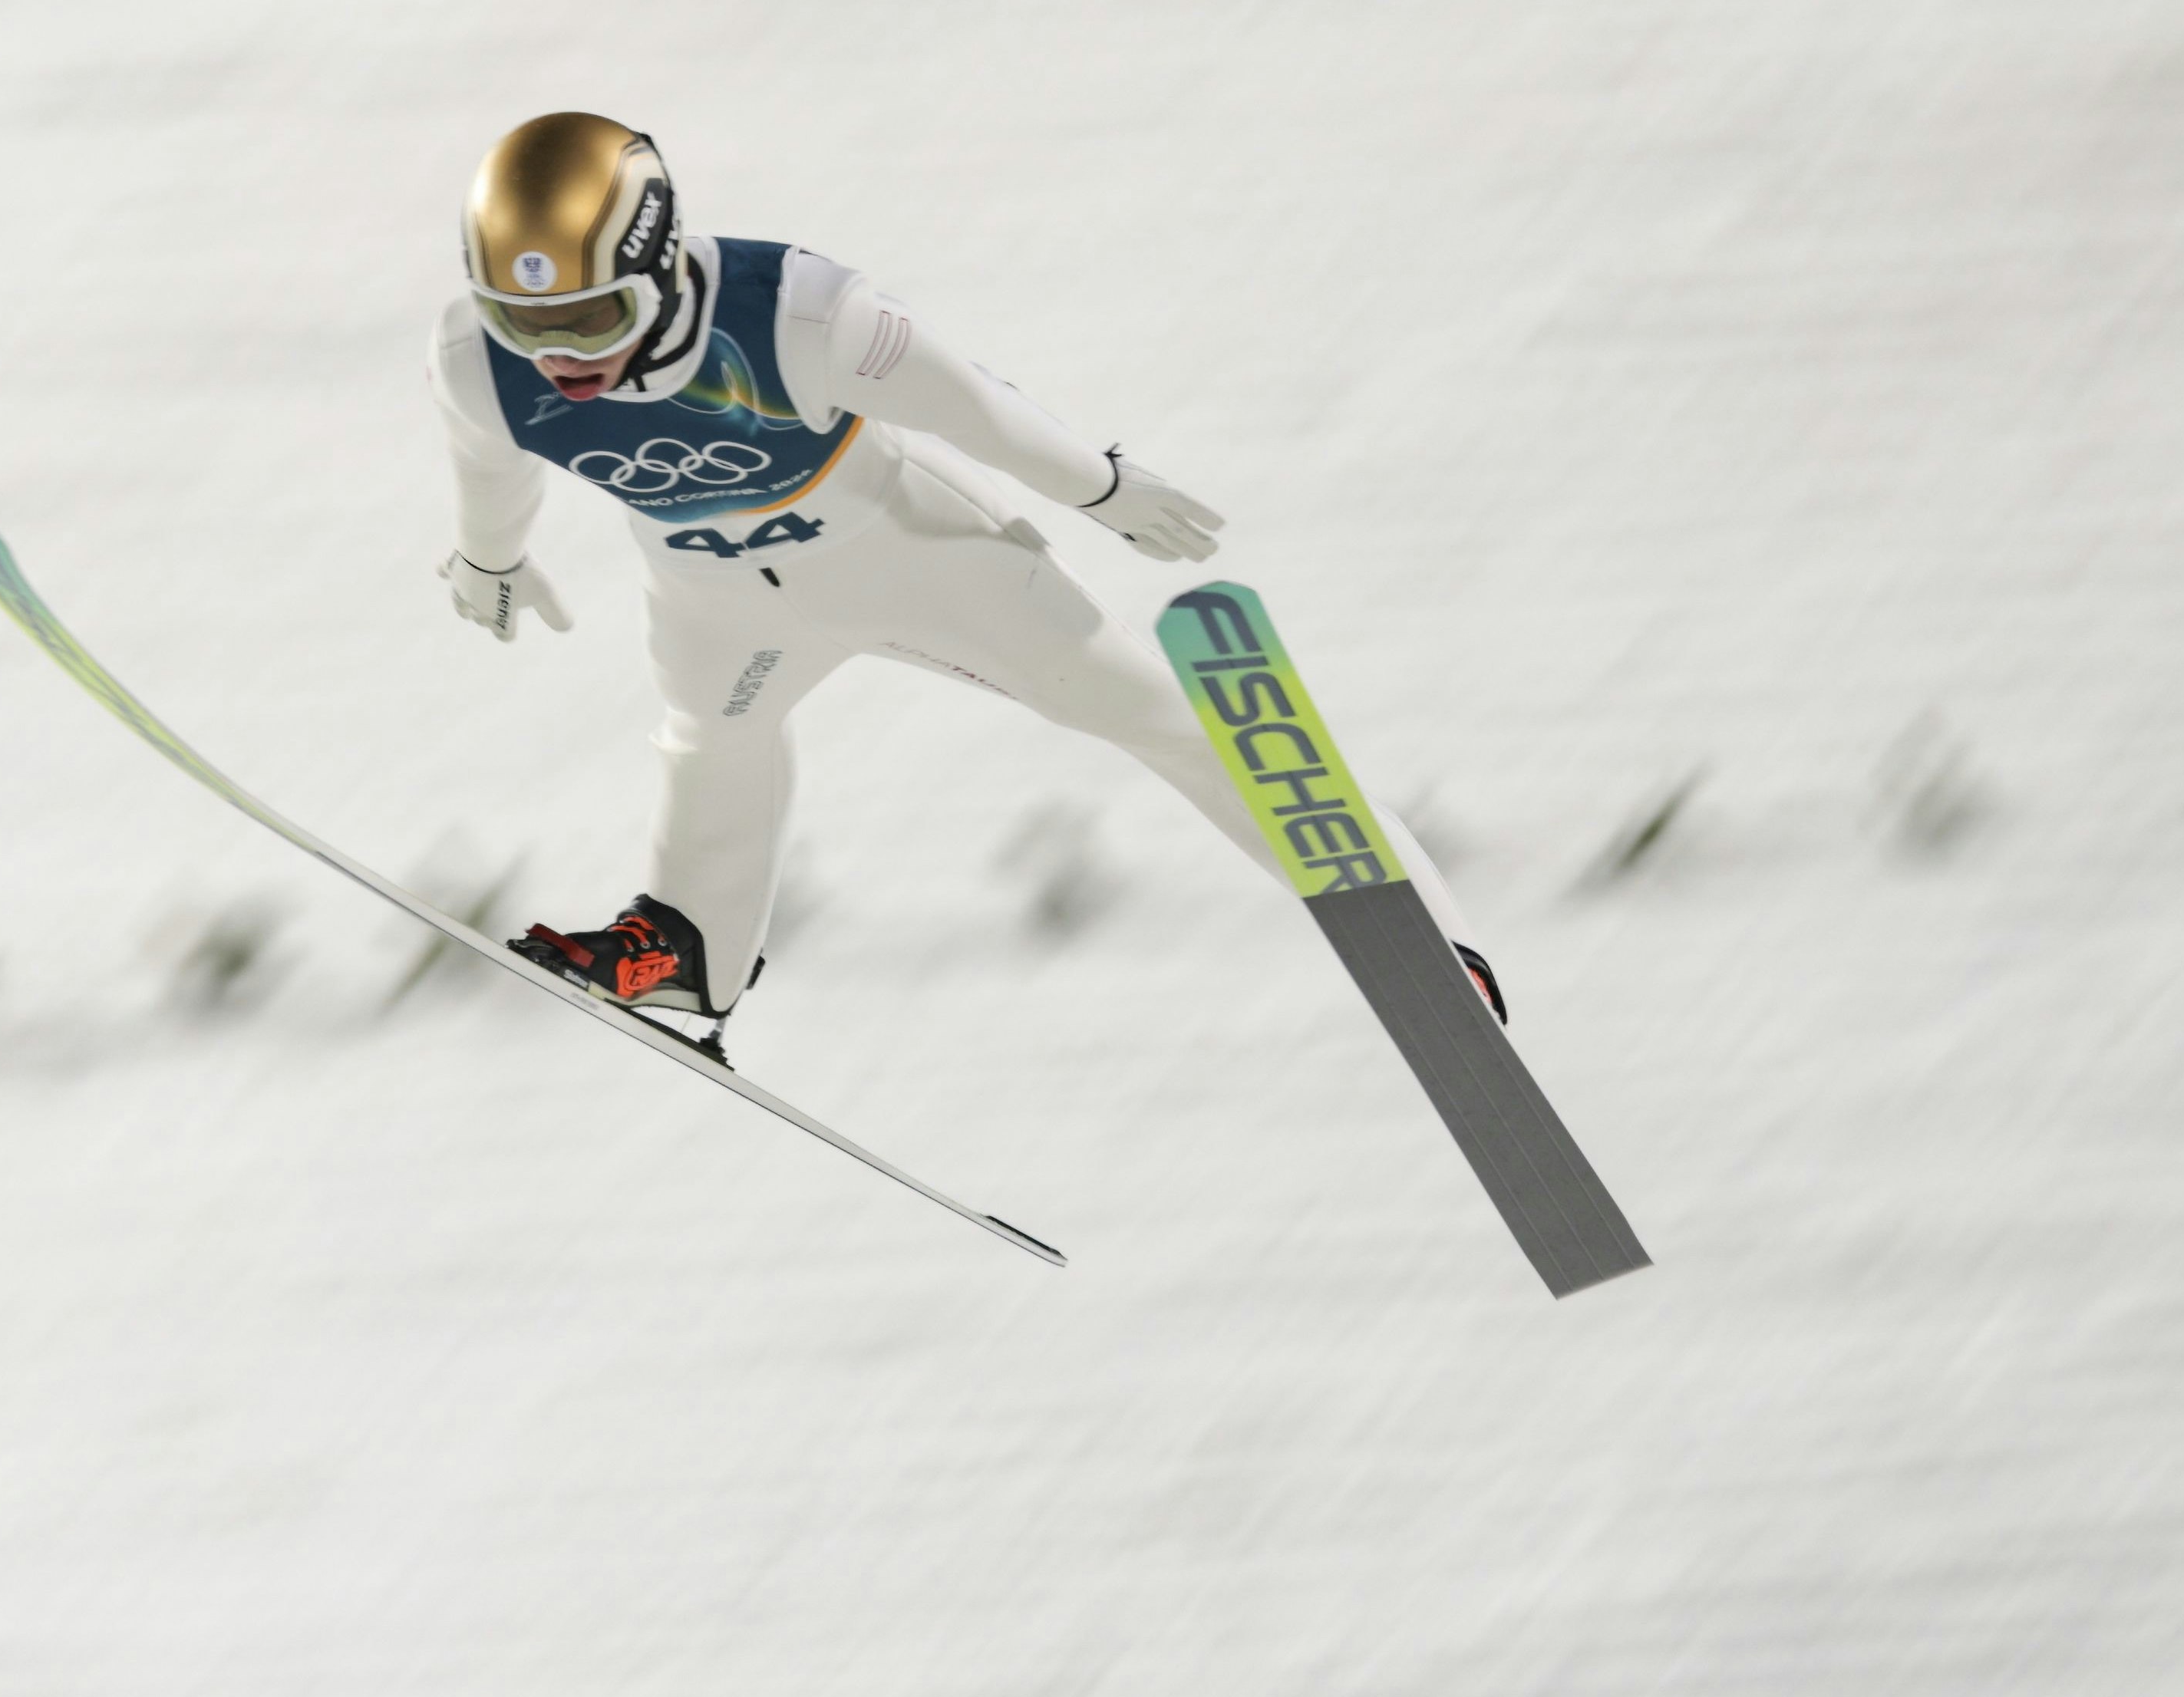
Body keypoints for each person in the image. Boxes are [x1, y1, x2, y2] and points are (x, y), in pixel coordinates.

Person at [427, 112, 1500, 1046]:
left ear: (658, 266)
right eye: (524, 322)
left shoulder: (793, 314)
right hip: (712, 601)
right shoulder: (480, 360)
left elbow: (975, 409)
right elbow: (488, 461)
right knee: (712, 741)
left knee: (1149, 716)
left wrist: (1104, 487)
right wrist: (491, 559)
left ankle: (1413, 924)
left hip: (910, 560)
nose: (559, 356)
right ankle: (689, 948)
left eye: (589, 318)